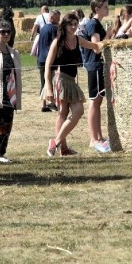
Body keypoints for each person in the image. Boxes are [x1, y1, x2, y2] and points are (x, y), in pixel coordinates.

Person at [42, 12, 102, 157]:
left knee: (78, 111)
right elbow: (47, 66)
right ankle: (63, 148)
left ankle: (56, 142)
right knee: (62, 114)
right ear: (65, 25)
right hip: (60, 79)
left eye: (76, 24)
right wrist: (48, 88)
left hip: (71, 80)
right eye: (71, 24)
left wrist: (108, 43)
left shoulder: (77, 39)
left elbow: (95, 46)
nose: (74, 27)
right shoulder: (58, 42)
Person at [80, 0, 111, 153]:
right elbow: (97, 47)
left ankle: (99, 137)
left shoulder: (96, 23)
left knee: (98, 101)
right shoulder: (93, 24)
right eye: (105, 6)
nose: (108, 8)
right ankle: (94, 139)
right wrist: (110, 33)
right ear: (96, 9)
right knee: (94, 101)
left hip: (97, 66)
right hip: (95, 65)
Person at [0, 20, 21, 164]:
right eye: (2, 32)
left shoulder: (14, 52)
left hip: (10, 94)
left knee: (6, 124)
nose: (6, 34)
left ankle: (0, 152)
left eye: (8, 31)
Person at [37, 10, 61, 111]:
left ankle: (44, 105)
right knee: (50, 81)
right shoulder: (53, 29)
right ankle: (51, 102)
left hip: (41, 58)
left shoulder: (43, 28)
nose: (59, 20)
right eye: (58, 18)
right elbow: (55, 44)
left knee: (44, 81)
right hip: (49, 59)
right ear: (52, 18)